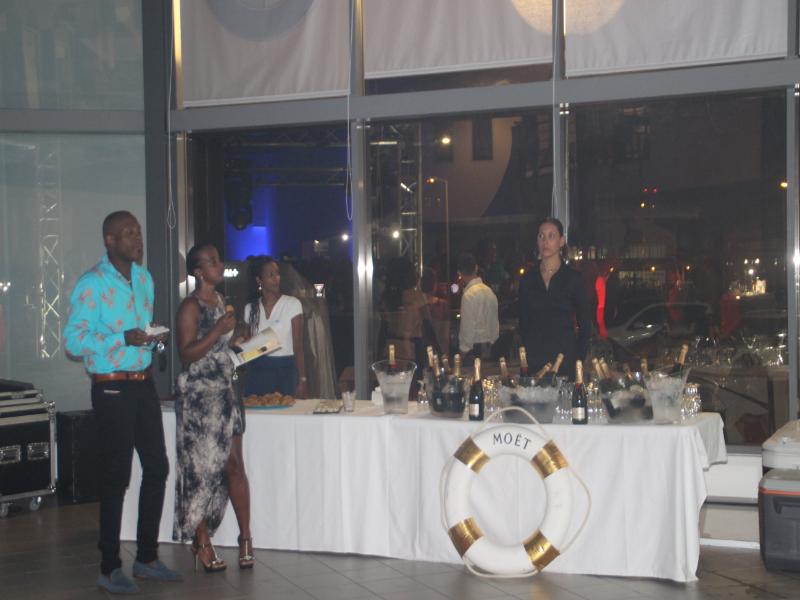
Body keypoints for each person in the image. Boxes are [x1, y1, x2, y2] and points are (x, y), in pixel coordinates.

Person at [64, 211, 181, 594]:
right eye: (128, 233)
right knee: (116, 475)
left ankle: (146, 558)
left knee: (158, 467)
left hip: (143, 384)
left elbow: (140, 332)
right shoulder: (92, 284)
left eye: (138, 231)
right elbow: (73, 341)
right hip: (111, 386)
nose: (137, 238)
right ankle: (109, 566)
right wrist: (122, 339)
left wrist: (154, 339)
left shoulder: (144, 280)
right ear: (110, 241)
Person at [173, 244, 254, 572]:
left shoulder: (220, 301)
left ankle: (245, 537)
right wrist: (219, 331)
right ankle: (201, 540)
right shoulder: (190, 307)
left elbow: (220, 347)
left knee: (234, 465)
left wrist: (236, 341)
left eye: (219, 259)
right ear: (198, 272)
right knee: (202, 471)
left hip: (226, 391)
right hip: (199, 398)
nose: (220, 265)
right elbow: (187, 353)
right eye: (212, 262)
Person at [518, 217, 592, 380]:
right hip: (535, 361)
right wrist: (525, 359)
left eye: (551, 236)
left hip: (565, 360)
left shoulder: (573, 278)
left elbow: (585, 324)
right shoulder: (528, 279)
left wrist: (578, 358)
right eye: (541, 236)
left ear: (561, 241)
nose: (545, 241)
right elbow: (523, 324)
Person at [243, 256, 306, 397]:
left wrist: (302, 379)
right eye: (270, 275)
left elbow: (298, 345)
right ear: (259, 280)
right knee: (257, 408)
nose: (276, 278)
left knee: (285, 409)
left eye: (277, 273)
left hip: (285, 369)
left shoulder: (292, 304)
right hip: (258, 369)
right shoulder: (250, 308)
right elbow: (247, 346)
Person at [457, 252, 499, 360]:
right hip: (492, 350)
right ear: (476, 268)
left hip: (475, 353)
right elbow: (495, 327)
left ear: (459, 273)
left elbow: (467, 333)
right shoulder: (489, 292)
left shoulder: (468, 296)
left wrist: (460, 358)